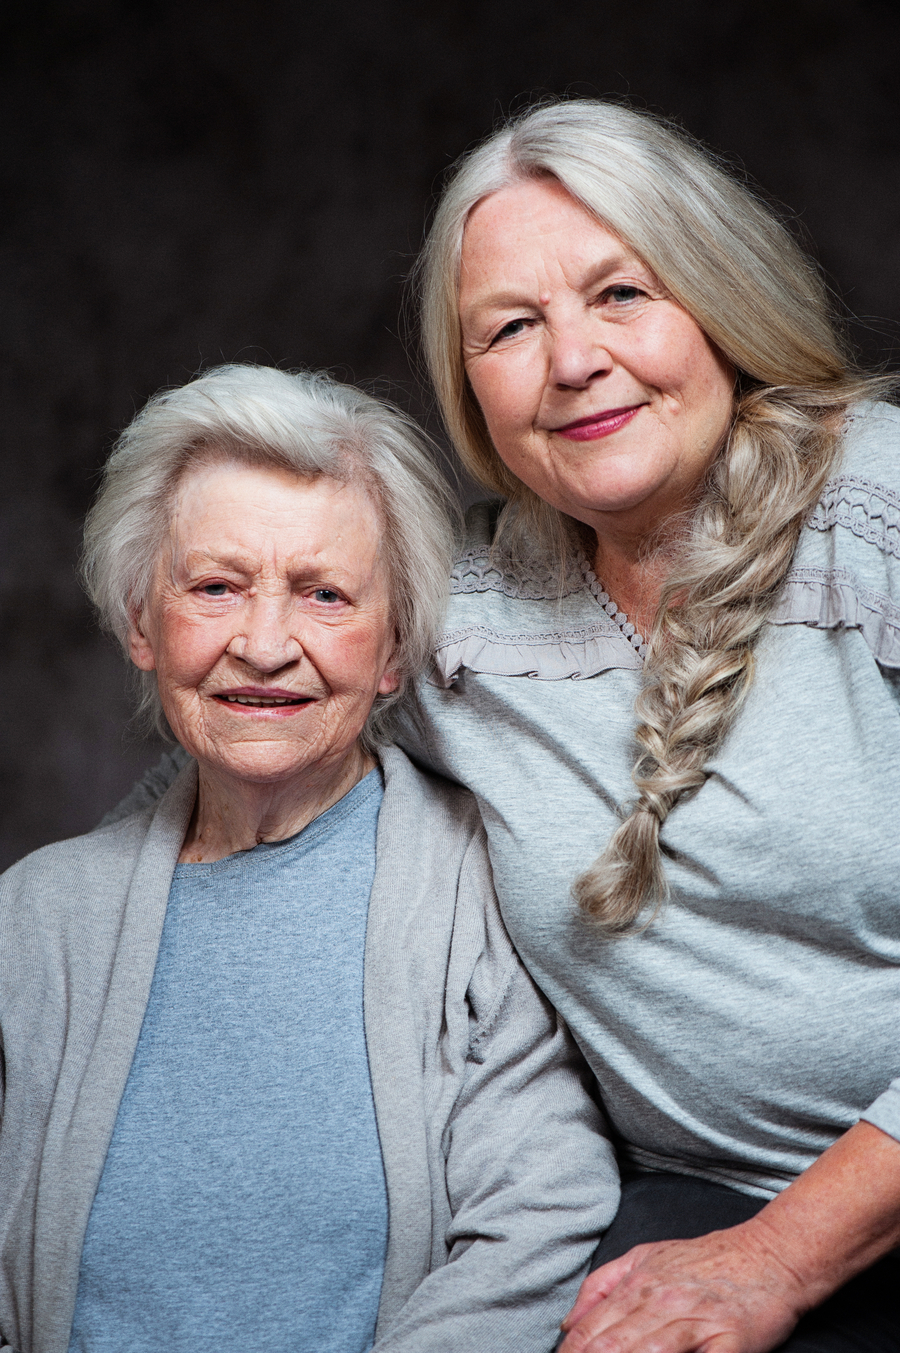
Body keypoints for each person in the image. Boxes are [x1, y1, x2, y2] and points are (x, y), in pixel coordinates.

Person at [105, 102, 900, 1351]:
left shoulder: (880, 510)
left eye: (621, 293)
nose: (573, 359)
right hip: (688, 1206)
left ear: (720, 300)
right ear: (470, 384)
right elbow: (241, 742)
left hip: (813, 1234)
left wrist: (779, 1260)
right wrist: (60, 937)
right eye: (512, 327)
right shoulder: (457, 620)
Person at [0, 364, 618, 1353]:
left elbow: (534, 1221)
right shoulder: (35, 917)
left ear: (394, 649)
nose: (264, 643)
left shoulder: (480, 883)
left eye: (324, 594)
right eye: (215, 587)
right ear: (141, 623)